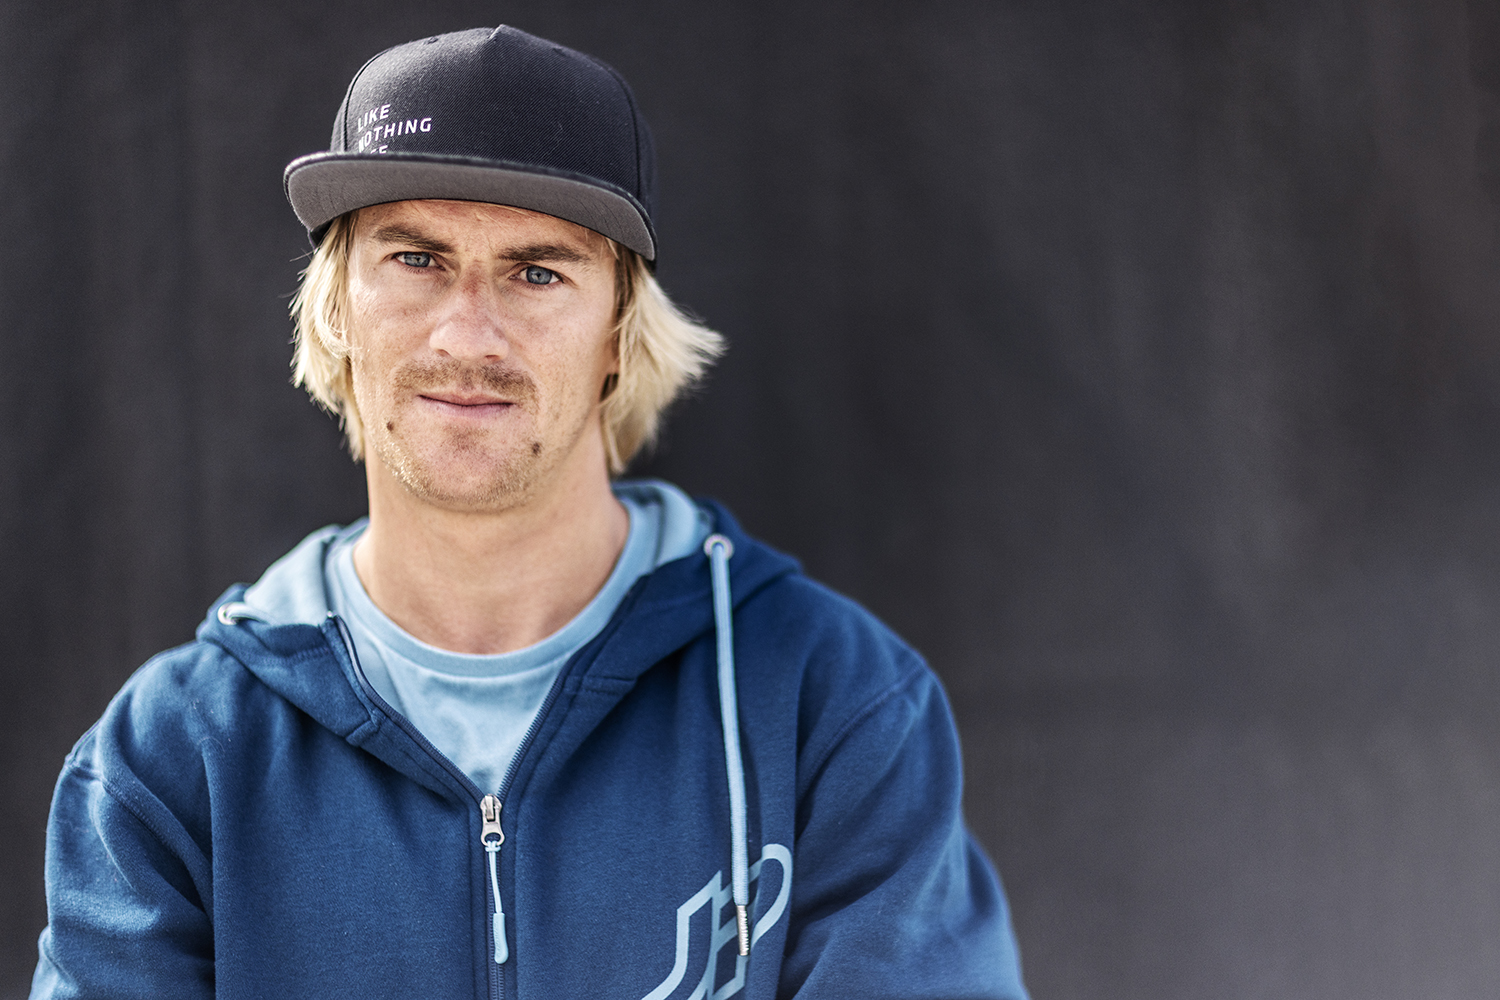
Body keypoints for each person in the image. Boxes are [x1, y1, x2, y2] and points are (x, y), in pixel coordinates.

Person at [31, 25, 1028, 1000]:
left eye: (537, 271)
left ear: (618, 333)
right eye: (415, 259)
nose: (468, 335)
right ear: (338, 309)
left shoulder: (831, 703)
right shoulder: (171, 760)